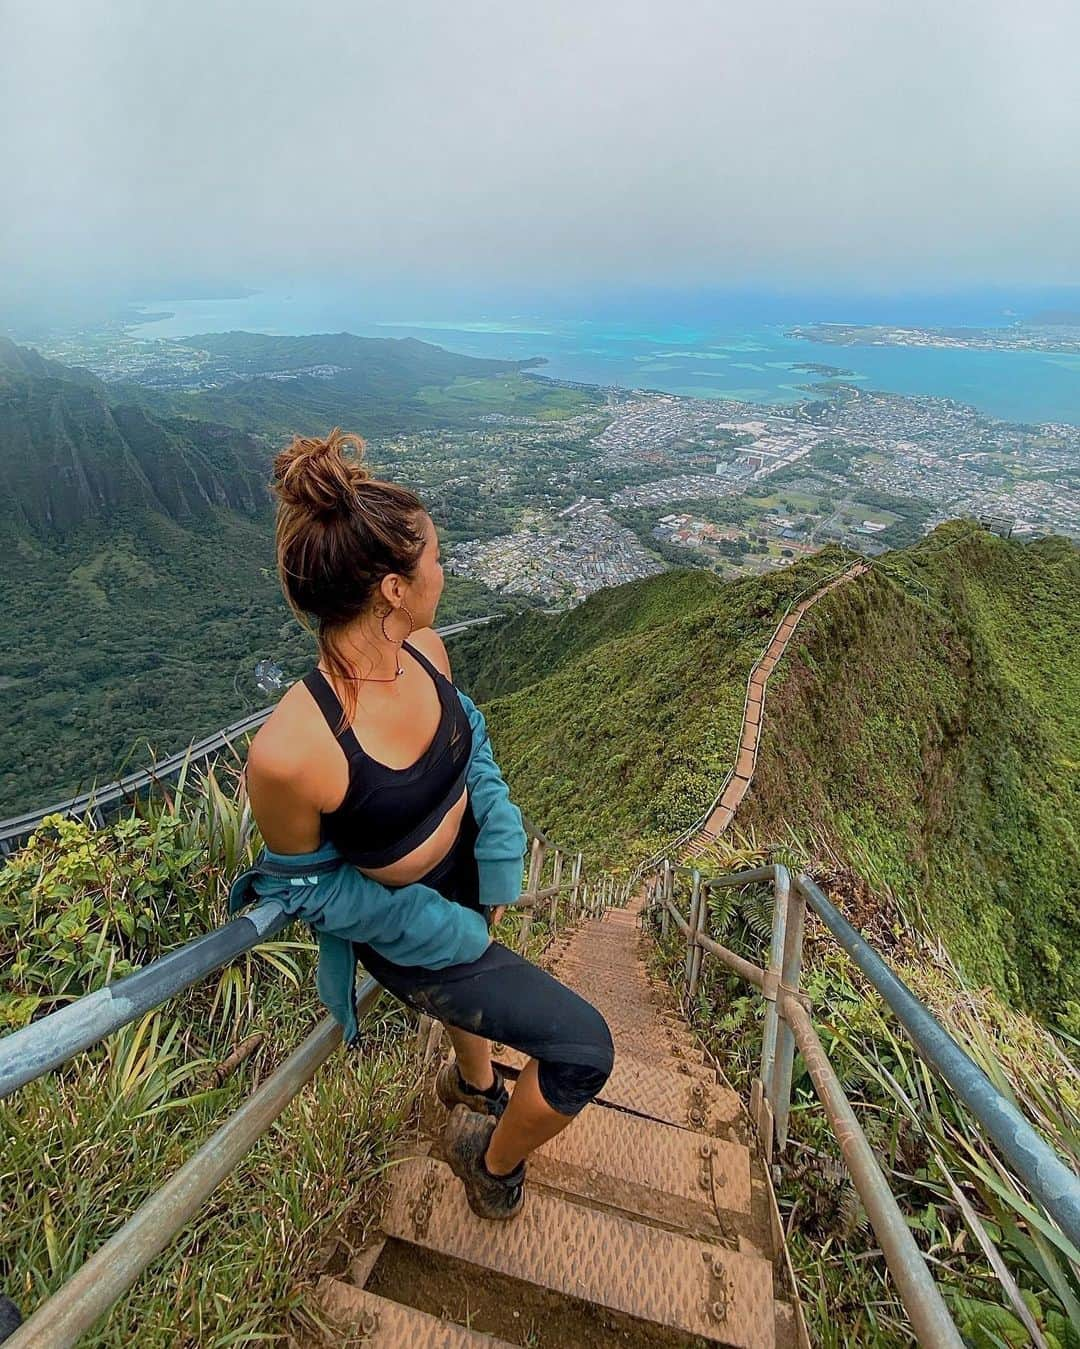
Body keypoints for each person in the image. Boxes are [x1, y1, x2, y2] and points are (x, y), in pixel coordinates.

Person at [239, 427, 614, 1221]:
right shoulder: (294, 750)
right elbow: (313, 891)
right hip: (410, 932)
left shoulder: (429, 651)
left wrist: (498, 849)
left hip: (465, 886)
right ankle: (491, 1159)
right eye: (433, 559)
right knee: (584, 1051)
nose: (444, 571)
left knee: (493, 1017)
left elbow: (468, 739)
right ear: (391, 588)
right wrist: (441, 926)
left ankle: (474, 1087)